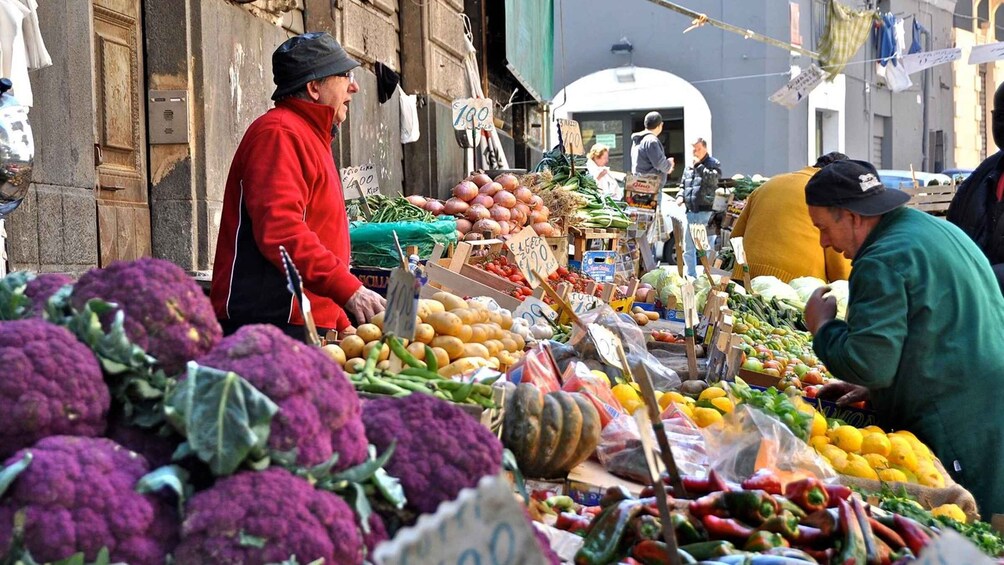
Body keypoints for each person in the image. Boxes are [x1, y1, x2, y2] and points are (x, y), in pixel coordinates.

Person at [803, 159, 1004, 517]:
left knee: (969, 527)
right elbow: (931, 325)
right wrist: (885, 388)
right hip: (985, 403)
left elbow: (870, 364)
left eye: (823, 228)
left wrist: (823, 328)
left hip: (955, 416)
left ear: (851, 216)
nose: (824, 242)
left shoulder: (881, 258)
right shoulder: (932, 230)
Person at [211, 32, 386, 341]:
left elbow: (319, 230)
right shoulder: (279, 133)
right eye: (344, 75)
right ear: (314, 87)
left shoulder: (310, 135)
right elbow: (282, 231)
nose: (354, 86)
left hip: (300, 320)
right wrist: (349, 291)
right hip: (273, 321)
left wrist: (336, 315)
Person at [730, 152, 852, 283]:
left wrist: (743, 267)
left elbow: (735, 237)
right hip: (795, 287)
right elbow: (840, 266)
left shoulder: (768, 184)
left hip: (745, 278)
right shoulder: (829, 195)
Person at [947, 81, 1004, 293]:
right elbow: (954, 238)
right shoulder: (981, 177)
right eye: (999, 117)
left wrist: (983, 280)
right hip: (980, 311)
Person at [678, 138, 722, 278]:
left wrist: (700, 167)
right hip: (691, 211)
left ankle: (707, 275)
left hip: (706, 211)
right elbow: (683, 184)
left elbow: (714, 180)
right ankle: (691, 275)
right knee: (689, 247)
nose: (695, 152)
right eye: (693, 149)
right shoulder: (689, 166)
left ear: (705, 148)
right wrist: (680, 196)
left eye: (698, 149)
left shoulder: (713, 163)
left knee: (706, 246)